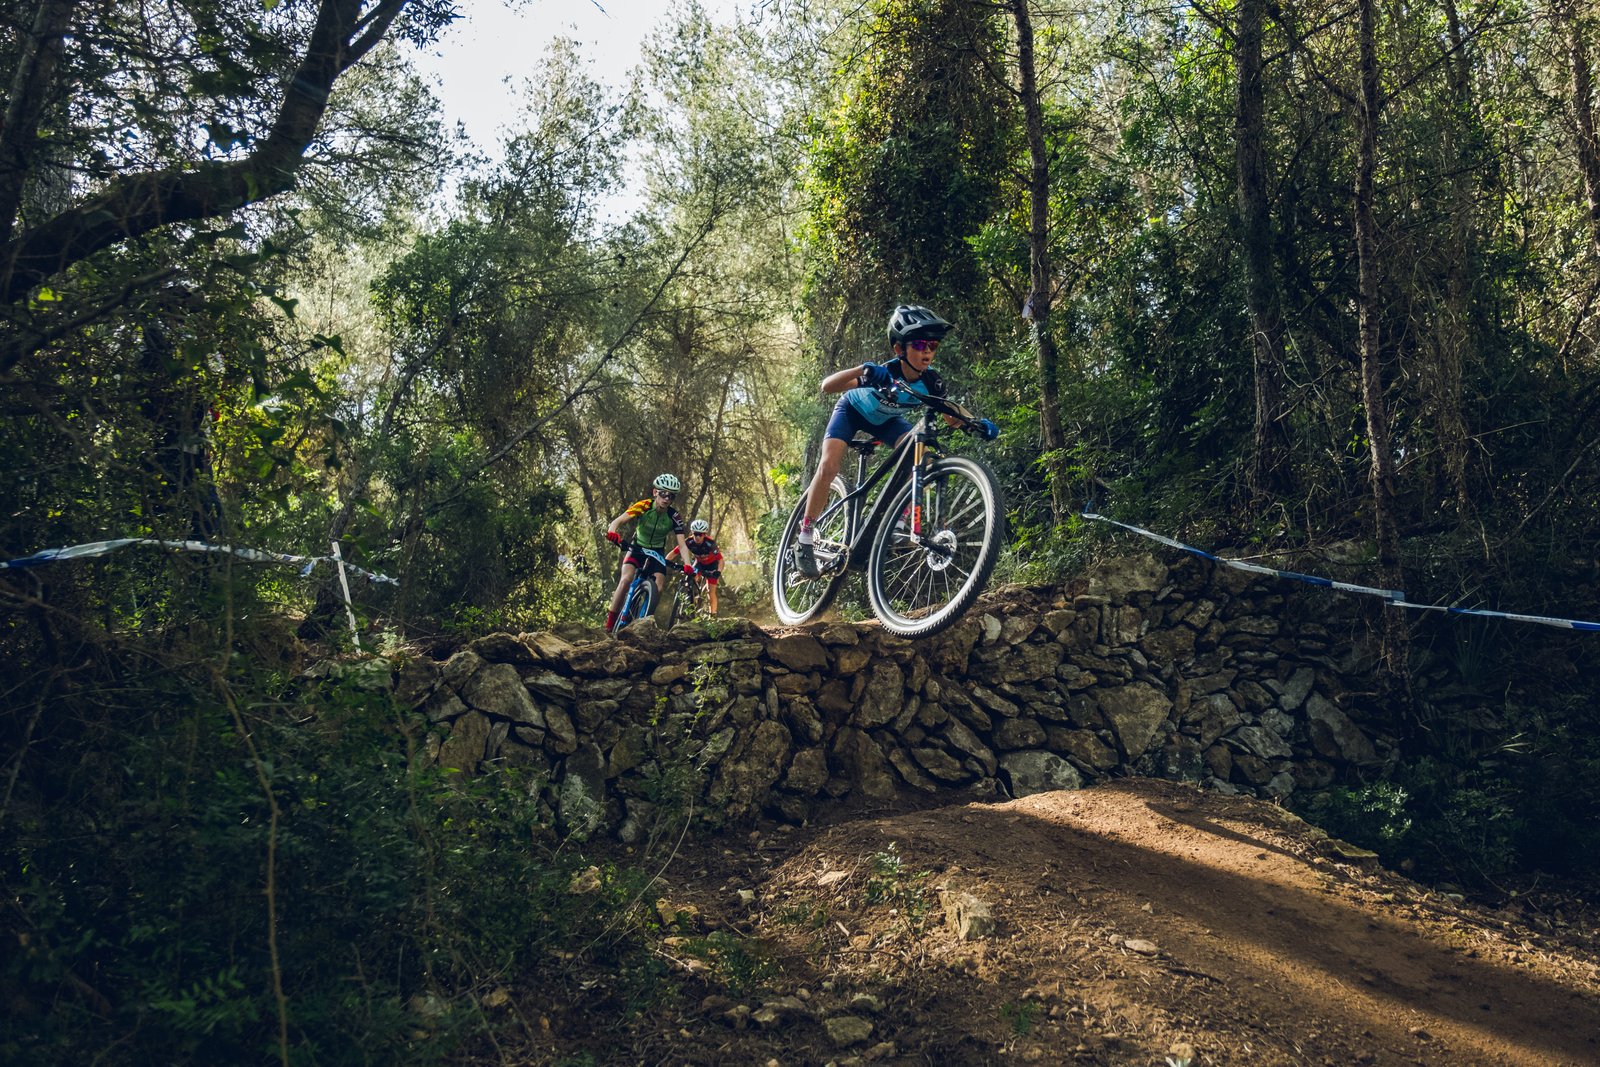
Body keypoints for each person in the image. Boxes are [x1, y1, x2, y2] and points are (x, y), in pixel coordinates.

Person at [794, 304, 997, 578]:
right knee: (829, 466)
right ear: (899, 349)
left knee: (919, 453)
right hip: (852, 413)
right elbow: (827, 386)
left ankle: (900, 520)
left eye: (933, 345)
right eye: (920, 344)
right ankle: (805, 536)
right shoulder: (883, 373)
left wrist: (976, 423)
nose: (927, 351)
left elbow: (951, 413)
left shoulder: (931, 383)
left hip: (887, 423)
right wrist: (862, 370)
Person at [604, 473, 694, 632]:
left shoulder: (674, 516)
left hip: (656, 552)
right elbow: (619, 520)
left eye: (671, 496)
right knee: (625, 580)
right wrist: (612, 532)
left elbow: (682, 545)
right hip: (638, 546)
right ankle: (609, 625)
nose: (666, 499)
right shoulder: (644, 505)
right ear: (655, 493)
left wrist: (688, 565)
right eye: (663, 493)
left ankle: (644, 619)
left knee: (658, 587)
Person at [668, 518, 723, 615]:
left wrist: (718, 572)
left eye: (700, 534)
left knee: (711, 592)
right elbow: (674, 552)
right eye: (695, 534)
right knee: (691, 575)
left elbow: (721, 560)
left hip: (712, 566)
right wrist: (665, 562)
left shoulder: (710, 544)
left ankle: (713, 616)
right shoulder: (689, 542)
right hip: (699, 564)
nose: (697, 537)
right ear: (692, 533)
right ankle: (693, 596)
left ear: (704, 534)